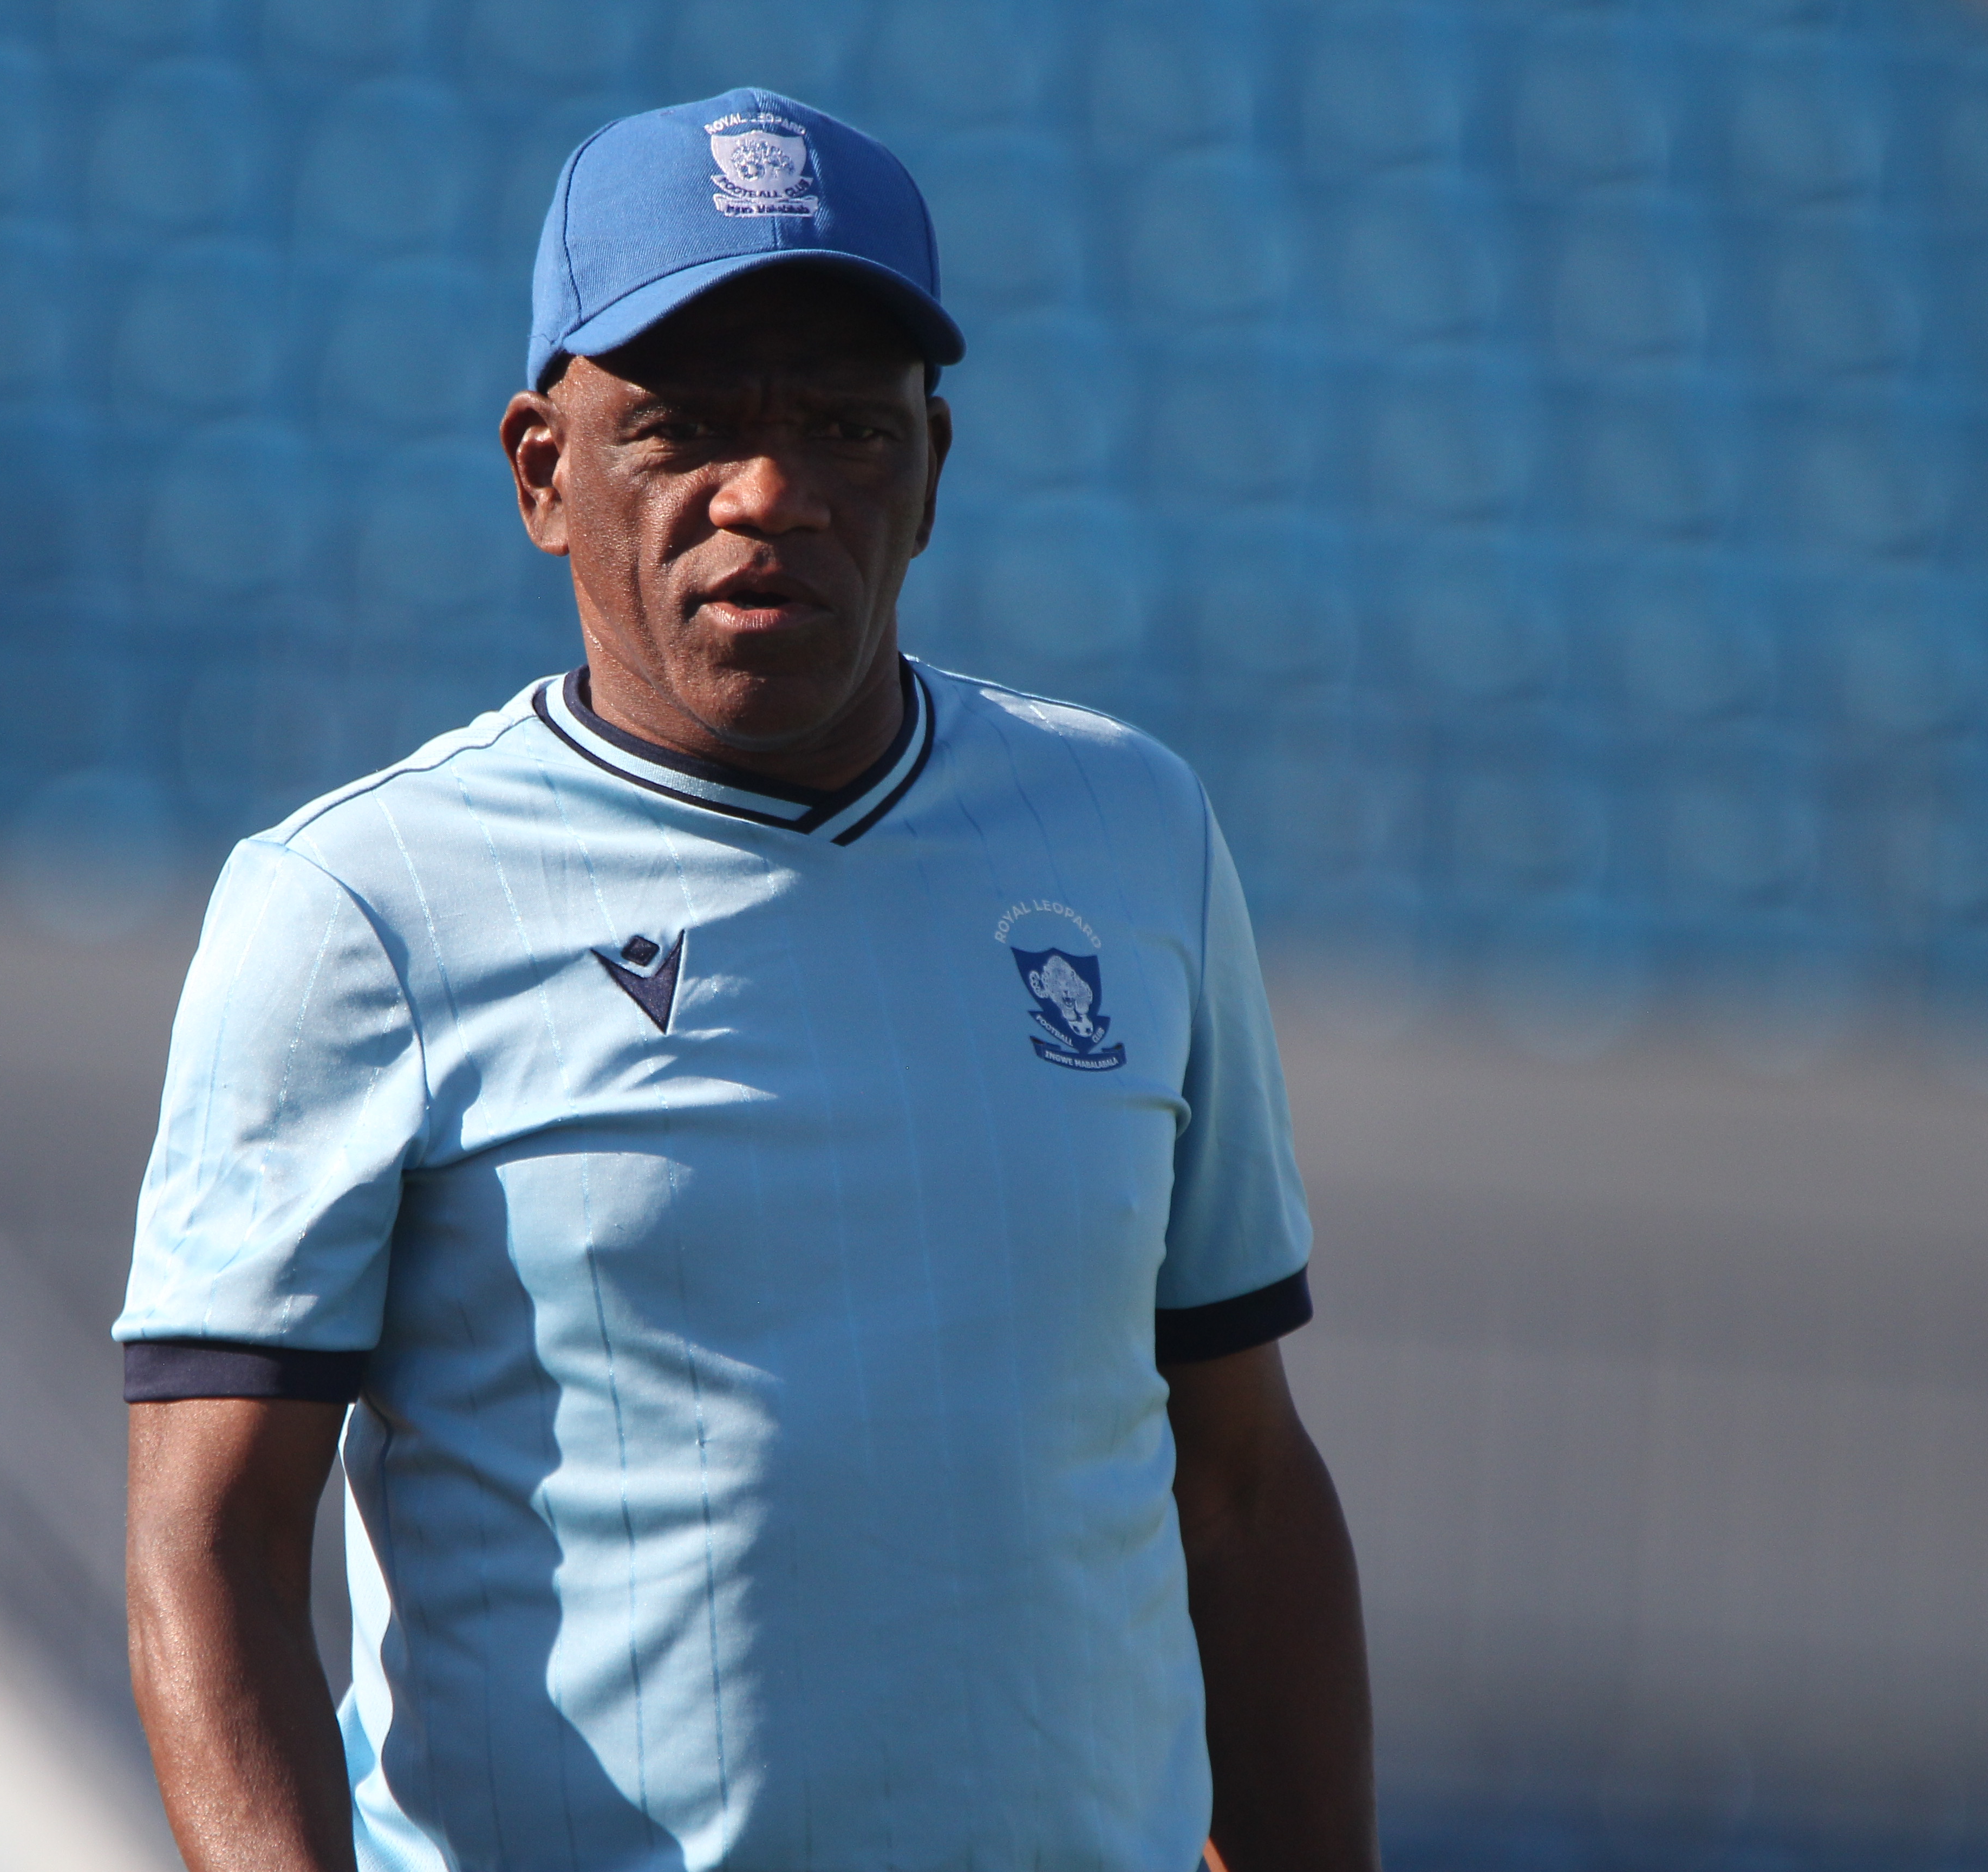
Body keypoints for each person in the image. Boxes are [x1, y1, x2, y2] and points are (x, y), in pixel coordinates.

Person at [117, 89, 1379, 1872]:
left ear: (931, 472)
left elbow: (1239, 1486)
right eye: (687, 427)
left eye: (847, 428)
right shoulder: (360, 907)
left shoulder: (1131, 834)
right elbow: (212, 1540)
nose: (772, 492)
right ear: (544, 472)